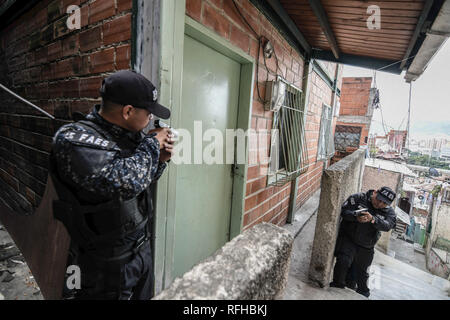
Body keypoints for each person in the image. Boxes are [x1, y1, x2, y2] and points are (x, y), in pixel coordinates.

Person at [50, 70, 174, 300]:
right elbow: (124, 183)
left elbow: (139, 185)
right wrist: (151, 146)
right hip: (104, 265)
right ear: (128, 111)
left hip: (139, 251)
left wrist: (159, 161)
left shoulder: (129, 135)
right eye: (148, 113)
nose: (150, 120)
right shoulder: (74, 139)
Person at [330, 186, 397, 297]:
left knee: (360, 277)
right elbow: (343, 211)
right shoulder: (359, 198)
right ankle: (334, 292)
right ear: (375, 192)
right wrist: (355, 216)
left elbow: (388, 226)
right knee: (343, 263)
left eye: (384, 203)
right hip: (348, 239)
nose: (380, 204)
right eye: (379, 200)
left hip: (366, 246)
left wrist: (373, 219)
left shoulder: (389, 212)